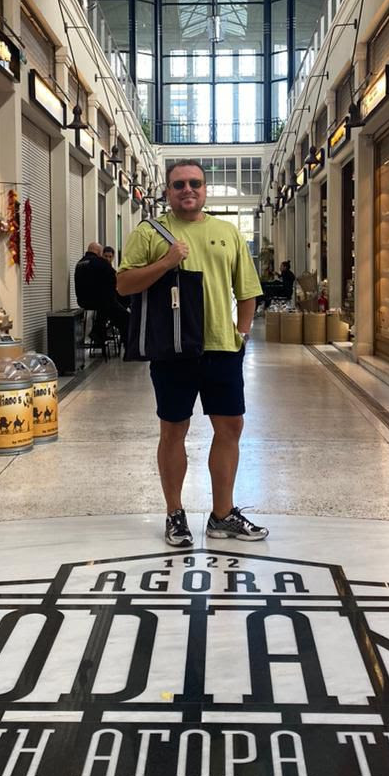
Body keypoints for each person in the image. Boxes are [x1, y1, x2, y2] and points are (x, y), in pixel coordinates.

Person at [117, 159, 267, 548]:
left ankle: (222, 515)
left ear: (205, 189)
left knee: (230, 428)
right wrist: (167, 262)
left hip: (222, 348)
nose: (188, 190)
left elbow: (247, 289)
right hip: (173, 351)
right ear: (167, 191)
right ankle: (175, 514)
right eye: (179, 184)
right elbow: (124, 284)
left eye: (195, 183)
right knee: (173, 430)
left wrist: (242, 334)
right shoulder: (150, 232)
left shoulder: (227, 232)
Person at [74, 240, 129, 348]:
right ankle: (127, 348)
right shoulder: (100, 263)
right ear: (99, 252)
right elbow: (116, 279)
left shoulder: (79, 263)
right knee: (126, 318)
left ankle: (99, 331)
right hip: (101, 302)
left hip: (83, 301)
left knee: (104, 310)